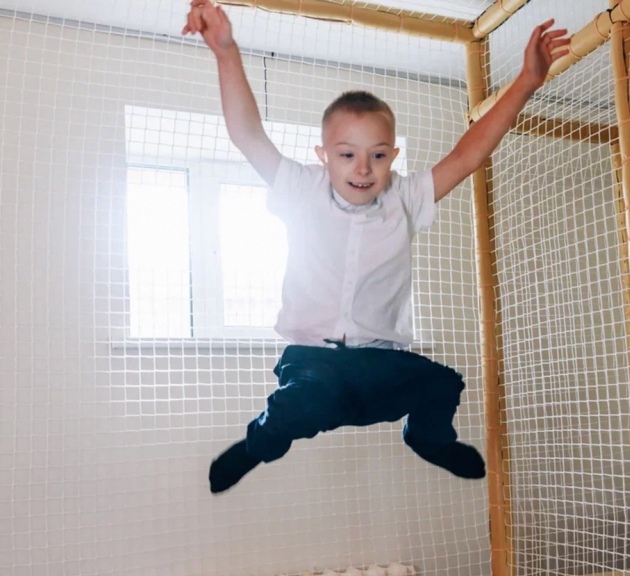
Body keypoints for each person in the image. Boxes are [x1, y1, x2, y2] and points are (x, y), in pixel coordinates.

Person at [182, 1, 569, 494]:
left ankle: (428, 437)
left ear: (393, 157)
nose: (363, 168)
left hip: (379, 366)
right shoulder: (301, 189)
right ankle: (259, 444)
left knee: (442, 383)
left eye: (378, 155)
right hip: (314, 363)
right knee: (304, 401)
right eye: (347, 155)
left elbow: (467, 154)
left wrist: (527, 81)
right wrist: (226, 51)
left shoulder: (405, 197)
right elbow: (247, 135)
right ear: (324, 156)